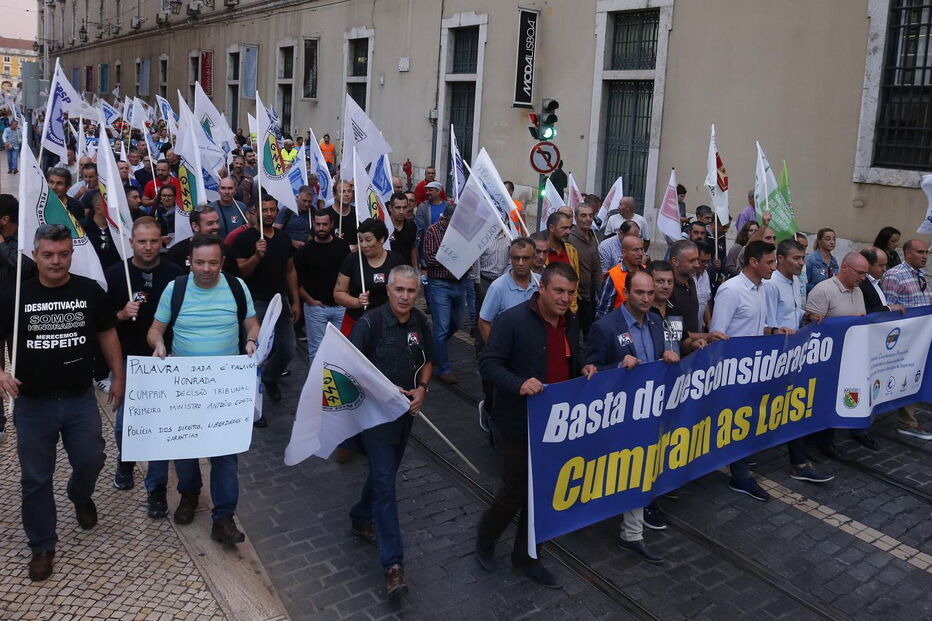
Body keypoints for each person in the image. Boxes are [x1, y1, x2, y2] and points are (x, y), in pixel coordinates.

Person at [0, 224, 124, 582]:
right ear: (35, 255)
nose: (56, 261)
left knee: (92, 459)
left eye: (63, 254)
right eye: (48, 255)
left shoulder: (89, 291)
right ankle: (42, 545)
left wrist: (118, 375)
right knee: (36, 478)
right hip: (33, 404)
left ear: (72, 253)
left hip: (78, 399)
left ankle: (79, 494)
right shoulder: (14, 296)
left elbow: (106, 332)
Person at [147, 235, 260, 544]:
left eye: (213, 262)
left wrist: (251, 340)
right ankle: (189, 493)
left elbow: (252, 324)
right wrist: (158, 345)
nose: (206, 269)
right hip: (186, 386)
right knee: (186, 447)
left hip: (225, 387)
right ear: (190, 262)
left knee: (225, 454)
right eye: (200, 262)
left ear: (222, 262)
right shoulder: (177, 289)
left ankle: (223, 516)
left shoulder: (237, 287)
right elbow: (155, 330)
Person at [476, 263, 582, 588]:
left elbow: (574, 360)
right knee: (515, 489)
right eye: (559, 291)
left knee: (542, 494)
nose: (565, 299)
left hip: (558, 423)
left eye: (570, 293)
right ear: (543, 290)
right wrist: (519, 383)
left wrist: (587, 368)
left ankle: (527, 556)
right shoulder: (512, 321)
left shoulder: (571, 323)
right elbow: (489, 363)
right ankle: (487, 536)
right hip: (520, 421)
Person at [347, 265, 432, 600]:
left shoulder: (420, 322)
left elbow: (428, 360)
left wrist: (422, 389)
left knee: (386, 474)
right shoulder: (370, 324)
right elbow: (349, 368)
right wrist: (381, 389)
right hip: (375, 418)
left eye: (411, 291)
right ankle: (393, 565)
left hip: (405, 415)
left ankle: (359, 516)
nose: (405, 296)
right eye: (399, 290)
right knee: (386, 486)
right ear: (389, 289)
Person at [584, 270, 678, 564]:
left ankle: (632, 533)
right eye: (641, 293)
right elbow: (588, 370)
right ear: (626, 293)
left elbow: (665, 351)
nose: (648, 298)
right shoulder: (605, 327)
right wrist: (616, 365)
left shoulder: (655, 321)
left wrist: (670, 355)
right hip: (618, 414)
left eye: (651, 293)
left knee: (640, 468)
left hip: (649, 411)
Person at [105, 217, 183, 490]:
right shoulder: (116, 274)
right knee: (124, 422)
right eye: (142, 241)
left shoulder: (175, 273)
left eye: (153, 241)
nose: (148, 247)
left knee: (161, 423)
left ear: (161, 241)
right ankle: (126, 461)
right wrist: (121, 314)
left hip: (167, 358)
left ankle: (157, 485)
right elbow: (102, 325)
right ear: (131, 243)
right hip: (130, 359)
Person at [710, 241, 783, 501]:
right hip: (733, 371)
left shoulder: (762, 289)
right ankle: (739, 475)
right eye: (770, 262)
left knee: (746, 419)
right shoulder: (731, 290)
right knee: (734, 421)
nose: (774, 267)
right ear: (754, 262)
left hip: (754, 368)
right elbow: (717, 334)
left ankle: (739, 460)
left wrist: (774, 331)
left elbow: (755, 325)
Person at [761, 239, 836, 479]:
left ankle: (799, 459)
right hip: (777, 356)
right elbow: (769, 324)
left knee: (792, 407)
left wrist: (807, 315)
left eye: (803, 258)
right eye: (796, 258)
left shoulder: (794, 281)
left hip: (794, 355)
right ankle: (797, 461)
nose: (801, 263)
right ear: (780, 259)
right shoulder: (772, 284)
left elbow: (791, 311)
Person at [232, 195, 300, 407]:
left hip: (280, 302)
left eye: (272, 210)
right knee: (253, 353)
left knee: (288, 349)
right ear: (255, 212)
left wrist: (295, 300)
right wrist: (256, 257)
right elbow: (240, 273)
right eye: (265, 210)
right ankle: (249, 400)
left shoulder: (283, 238)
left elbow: (290, 270)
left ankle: (270, 377)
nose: (269, 214)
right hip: (256, 303)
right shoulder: (243, 239)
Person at [880, 239, 932, 440]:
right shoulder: (895, 275)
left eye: (926, 252)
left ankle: (907, 420)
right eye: (920, 252)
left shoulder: (919, 274)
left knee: (914, 376)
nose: (924, 256)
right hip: (901, 341)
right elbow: (887, 307)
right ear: (907, 253)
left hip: (919, 339)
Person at [294, 209, 350, 363]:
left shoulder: (342, 246)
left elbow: (349, 274)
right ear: (313, 224)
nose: (321, 228)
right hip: (316, 308)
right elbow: (296, 281)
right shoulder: (305, 251)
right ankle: (317, 386)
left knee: (342, 349)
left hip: (340, 307)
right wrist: (310, 301)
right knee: (317, 351)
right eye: (318, 224)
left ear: (331, 224)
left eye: (324, 224)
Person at [333, 217, 406, 336]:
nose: (363, 245)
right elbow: (338, 293)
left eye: (368, 240)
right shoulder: (352, 260)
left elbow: (406, 290)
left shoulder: (396, 260)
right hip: (357, 320)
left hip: (389, 322)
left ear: (381, 239)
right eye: (360, 240)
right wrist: (357, 301)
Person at [421, 204, 466, 384]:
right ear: (444, 219)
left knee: (455, 324)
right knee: (442, 327)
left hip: (459, 282)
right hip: (439, 284)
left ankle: (432, 350)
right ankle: (443, 368)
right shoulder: (433, 231)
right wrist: (454, 258)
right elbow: (430, 258)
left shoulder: (463, 233)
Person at [478, 237, 539, 343]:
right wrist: (494, 351)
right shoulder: (497, 287)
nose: (520, 263)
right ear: (511, 258)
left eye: (525, 258)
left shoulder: (540, 283)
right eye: (516, 258)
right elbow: (483, 322)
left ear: (534, 258)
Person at [568, 200, 601, 332]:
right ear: (576, 218)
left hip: (591, 298)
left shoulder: (593, 239)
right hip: (575, 298)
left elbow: (596, 268)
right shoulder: (569, 238)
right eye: (583, 216)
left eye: (590, 215)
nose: (588, 219)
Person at [595, 235, 645, 319]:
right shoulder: (613, 276)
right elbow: (603, 312)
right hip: (620, 327)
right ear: (624, 252)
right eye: (636, 250)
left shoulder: (647, 271)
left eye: (642, 249)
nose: (640, 254)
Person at [165, 206, 222, 272]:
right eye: (210, 223)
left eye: (217, 222)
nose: (216, 226)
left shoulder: (224, 248)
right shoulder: (176, 253)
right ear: (195, 226)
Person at [544, 211, 580, 313]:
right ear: (551, 228)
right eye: (564, 228)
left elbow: (575, 282)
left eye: (569, 228)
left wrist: (573, 309)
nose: (568, 232)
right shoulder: (541, 252)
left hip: (568, 312)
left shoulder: (572, 251)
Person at [80, 192, 123, 270]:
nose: (115, 208)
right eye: (110, 206)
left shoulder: (120, 228)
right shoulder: (82, 228)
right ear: (98, 209)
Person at [414, 181, 450, 246]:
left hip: (446, 243)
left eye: (430, 190)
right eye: (427, 191)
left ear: (438, 191)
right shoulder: (423, 207)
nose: (427, 193)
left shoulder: (447, 205)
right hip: (429, 243)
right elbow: (420, 228)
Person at [386, 191, 417, 266]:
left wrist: (416, 269)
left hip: (406, 270)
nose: (401, 211)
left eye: (404, 207)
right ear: (390, 208)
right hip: (389, 271)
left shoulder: (411, 226)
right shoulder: (384, 226)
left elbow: (412, 248)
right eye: (398, 208)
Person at [805, 227, 839, 294]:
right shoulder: (810, 259)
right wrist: (821, 289)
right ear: (819, 241)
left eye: (834, 239)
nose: (832, 242)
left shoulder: (834, 261)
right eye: (828, 239)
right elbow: (804, 284)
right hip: (814, 298)